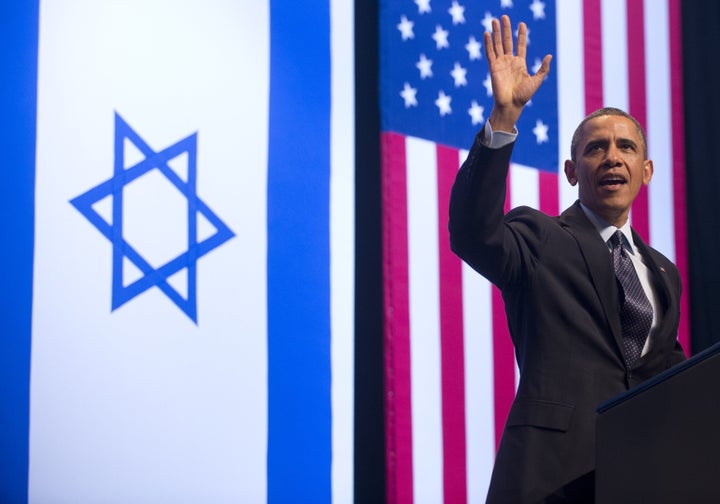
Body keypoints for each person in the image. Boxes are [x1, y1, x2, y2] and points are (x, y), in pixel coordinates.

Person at [448, 14, 687, 503]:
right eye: (596, 148)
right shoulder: (539, 237)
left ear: (646, 170)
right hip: (548, 479)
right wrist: (504, 119)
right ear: (572, 171)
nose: (613, 157)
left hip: (640, 479)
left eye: (626, 147)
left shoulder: (664, 272)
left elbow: (668, 377)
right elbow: (471, 234)